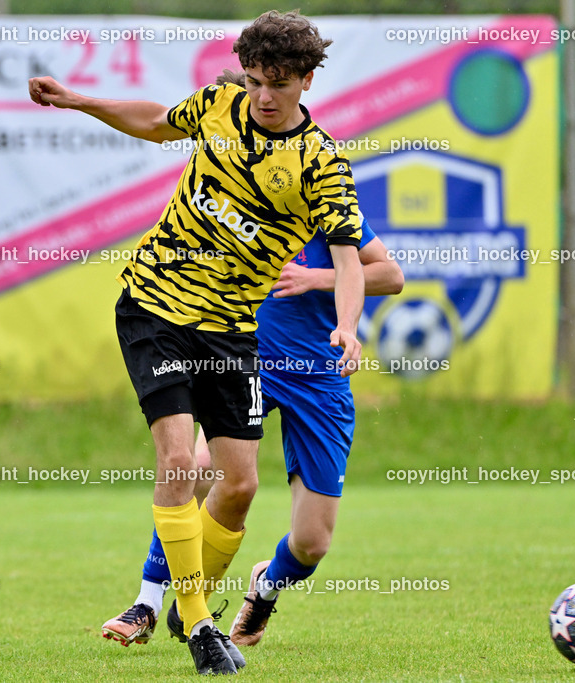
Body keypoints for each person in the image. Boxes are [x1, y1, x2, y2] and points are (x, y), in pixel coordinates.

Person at [29, 10, 366, 675]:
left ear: (305, 80)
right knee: (180, 461)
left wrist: (347, 324)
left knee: (239, 485)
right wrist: (81, 100)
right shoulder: (218, 106)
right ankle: (198, 619)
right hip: (155, 305)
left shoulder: (322, 162)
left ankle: (188, 603)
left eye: (277, 83)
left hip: (234, 330)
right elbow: (157, 121)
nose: (262, 96)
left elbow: (355, 260)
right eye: (253, 80)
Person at [100, 73, 404, 655]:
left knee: (312, 541)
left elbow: (388, 274)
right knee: (195, 465)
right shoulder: (226, 181)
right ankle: (152, 600)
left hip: (320, 374)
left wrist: (317, 280)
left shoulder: (318, 188)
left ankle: (258, 590)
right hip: (251, 357)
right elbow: (159, 123)